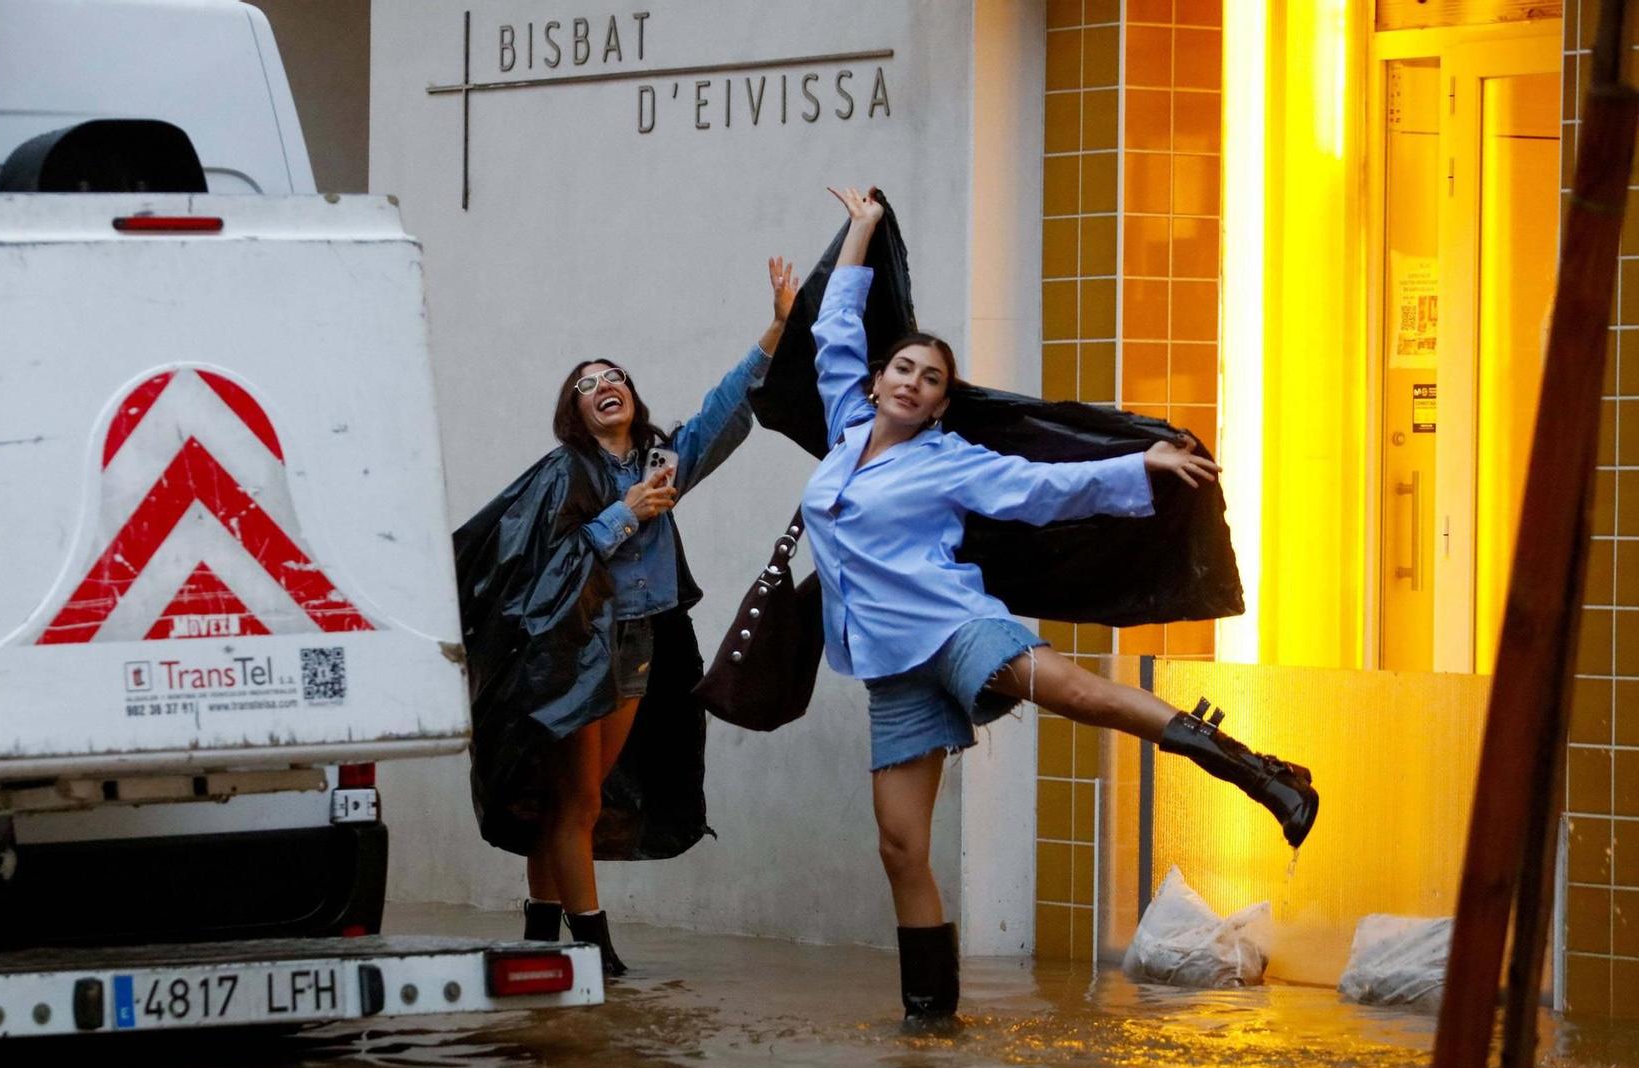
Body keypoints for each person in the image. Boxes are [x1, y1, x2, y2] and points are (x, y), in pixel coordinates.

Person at [806, 187, 1317, 1024]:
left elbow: (1043, 489)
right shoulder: (843, 421)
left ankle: (1255, 769)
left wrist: (1140, 467)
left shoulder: (952, 460)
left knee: (1073, 692)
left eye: (932, 378)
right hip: (889, 664)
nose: (913, 382)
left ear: (941, 403)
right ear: (879, 378)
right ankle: (930, 1025)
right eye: (904, 367)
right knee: (901, 847)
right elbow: (834, 325)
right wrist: (861, 229)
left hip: (954, 626)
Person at [454, 259, 800, 976]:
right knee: (576, 798)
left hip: (639, 639)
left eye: (613, 376)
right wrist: (624, 514)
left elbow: (725, 410)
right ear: (573, 412)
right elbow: (540, 569)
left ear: (633, 398)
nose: (603, 385)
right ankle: (594, 951)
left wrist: (777, 327)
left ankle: (541, 935)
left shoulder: (664, 460)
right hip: (574, 645)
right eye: (586, 384)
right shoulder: (563, 473)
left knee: (578, 799)